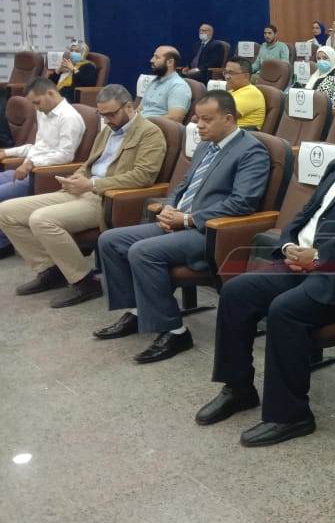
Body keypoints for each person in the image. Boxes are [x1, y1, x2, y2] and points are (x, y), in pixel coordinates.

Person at [196, 103, 335, 446]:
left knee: (285, 310)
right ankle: (238, 388)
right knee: (237, 291)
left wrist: (319, 256)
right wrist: (288, 244)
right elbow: (307, 213)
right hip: (299, 263)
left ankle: (291, 415)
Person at [94, 91, 270, 363]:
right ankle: (138, 310)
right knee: (110, 240)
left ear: (229, 119)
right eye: (197, 119)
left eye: (207, 120)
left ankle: (175, 331)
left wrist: (188, 219)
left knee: (142, 251)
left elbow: (242, 203)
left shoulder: (251, 151)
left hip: (210, 231)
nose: (199, 125)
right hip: (180, 220)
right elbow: (184, 185)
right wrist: (170, 207)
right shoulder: (205, 146)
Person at [0, 85, 166, 308]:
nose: (106, 120)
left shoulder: (150, 133)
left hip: (107, 199)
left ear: (129, 107)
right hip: (81, 190)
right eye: (102, 114)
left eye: (111, 114)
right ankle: (52, 270)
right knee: (6, 212)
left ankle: (85, 282)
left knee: (41, 219)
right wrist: (77, 177)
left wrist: (92, 184)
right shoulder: (109, 129)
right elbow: (89, 164)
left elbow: (143, 176)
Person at [0, 77, 86, 259]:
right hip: (29, 170)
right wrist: (6, 152)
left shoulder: (69, 117)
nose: (36, 108)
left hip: (45, 177)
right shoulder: (44, 112)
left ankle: (3, 244)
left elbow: (65, 155)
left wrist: (32, 163)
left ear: (51, 93)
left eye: (37, 102)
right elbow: (37, 147)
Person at [140, 46, 192, 121]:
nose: (151, 60)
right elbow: (140, 109)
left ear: (170, 62)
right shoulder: (154, 82)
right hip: (140, 124)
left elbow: (175, 118)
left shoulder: (179, 86)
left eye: (157, 57)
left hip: (155, 126)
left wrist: (144, 122)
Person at [223, 57, 266, 129]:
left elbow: (224, 115)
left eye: (231, 73)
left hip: (242, 133)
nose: (227, 77)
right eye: (226, 72)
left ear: (246, 76)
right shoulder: (232, 91)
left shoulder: (251, 93)